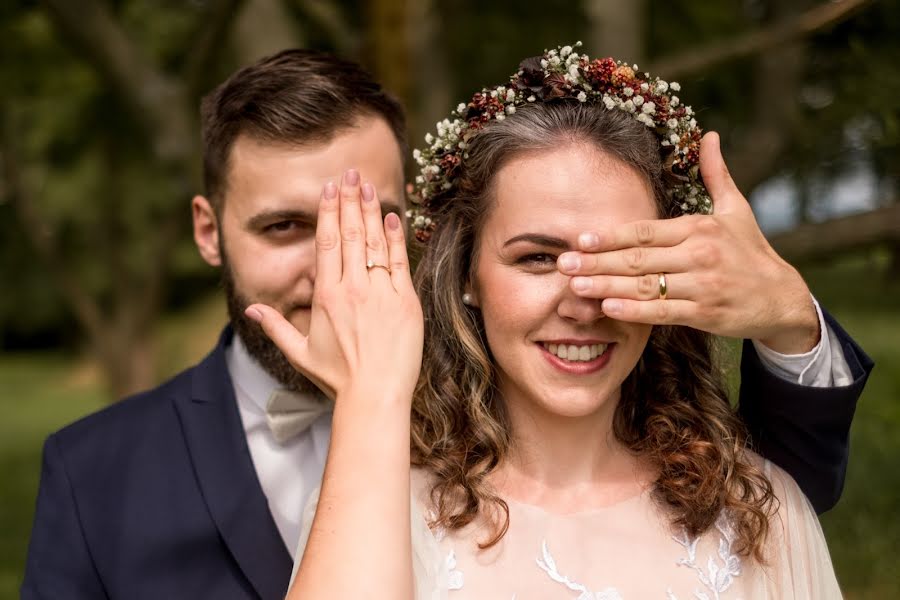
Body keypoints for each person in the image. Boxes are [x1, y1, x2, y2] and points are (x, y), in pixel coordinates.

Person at [21, 47, 870, 599]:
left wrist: (792, 318)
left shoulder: (755, 500)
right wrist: (373, 397)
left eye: (373, 226)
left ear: (428, 243)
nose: (339, 270)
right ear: (209, 230)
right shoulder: (94, 472)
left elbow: (770, 486)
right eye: (286, 227)